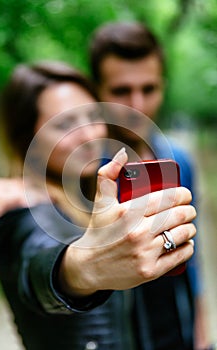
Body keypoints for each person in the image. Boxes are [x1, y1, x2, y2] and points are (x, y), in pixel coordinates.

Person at [0, 60, 196, 350]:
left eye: (91, 116)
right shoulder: (18, 210)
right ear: (26, 137)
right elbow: (36, 259)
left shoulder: (86, 195)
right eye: (64, 124)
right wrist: (82, 267)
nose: (88, 135)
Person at [88, 21, 209, 350]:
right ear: (97, 90)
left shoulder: (179, 160)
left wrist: (200, 333)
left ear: (163, 86)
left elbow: (191, 255)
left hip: (177, 331)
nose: (137, 105)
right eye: (121, 90)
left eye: (149, 88)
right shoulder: (80, 170)